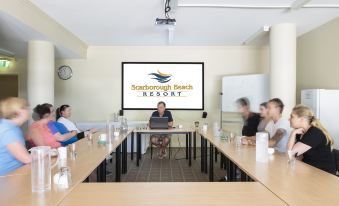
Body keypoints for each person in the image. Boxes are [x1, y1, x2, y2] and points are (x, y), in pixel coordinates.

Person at [287, 105, 336, 174]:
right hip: (310, 170)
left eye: (292, 116)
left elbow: (291, 153)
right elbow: (295, 156)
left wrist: (293, 133)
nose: (289, 119)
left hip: (323, 174)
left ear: (302, 119)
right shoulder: (300, 132)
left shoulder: (314, 133)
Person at [0, 97, 31, 175]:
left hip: (16, 172)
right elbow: (26, 159)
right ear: (17, 111)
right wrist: (45, 153)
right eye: (25, 108)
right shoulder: (8, 130)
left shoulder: (10, 126)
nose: (28, 110)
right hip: (8, 177)